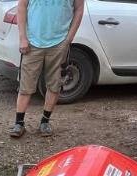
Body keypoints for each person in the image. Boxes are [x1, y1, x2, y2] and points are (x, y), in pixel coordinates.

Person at [9, 0, 84, 138]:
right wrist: (23, 38)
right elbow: (22, 6)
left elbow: (79, 9)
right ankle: (19, 123)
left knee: (55, 84)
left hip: (59, 43)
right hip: (32, 43)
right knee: (26, 85)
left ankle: (45, 121)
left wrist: (69, 39)